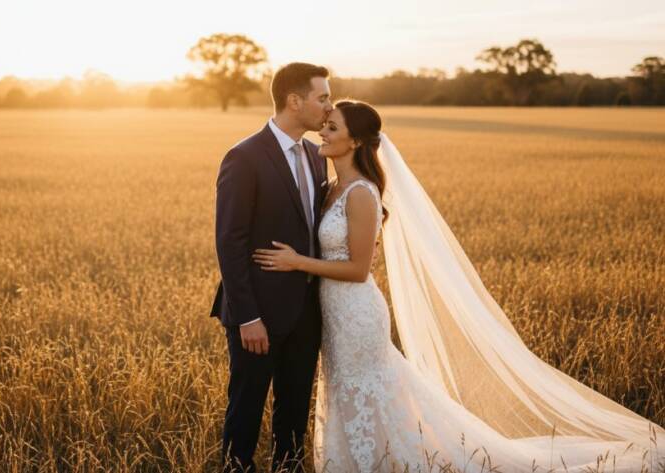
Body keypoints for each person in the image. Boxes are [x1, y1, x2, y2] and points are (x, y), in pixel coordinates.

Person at [252, 100, 665, 472]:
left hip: (357, 312)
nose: (322, 132)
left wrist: (296, 262)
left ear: (356, 140)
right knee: (348, 391)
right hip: (334, 313)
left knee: (366, 389)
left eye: (333, 128)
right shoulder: (331, 188)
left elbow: (359, 269)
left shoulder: (361, 193)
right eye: (325, 125)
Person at [211, 62, 333, 472]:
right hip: (256, 315)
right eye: (322, 98)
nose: (329, 108)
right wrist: (248, 317)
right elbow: (230, 242)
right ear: (294, 101)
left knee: (294, 413)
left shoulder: (318, 155)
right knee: (245, 409)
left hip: (306, 311)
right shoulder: (243, 157)